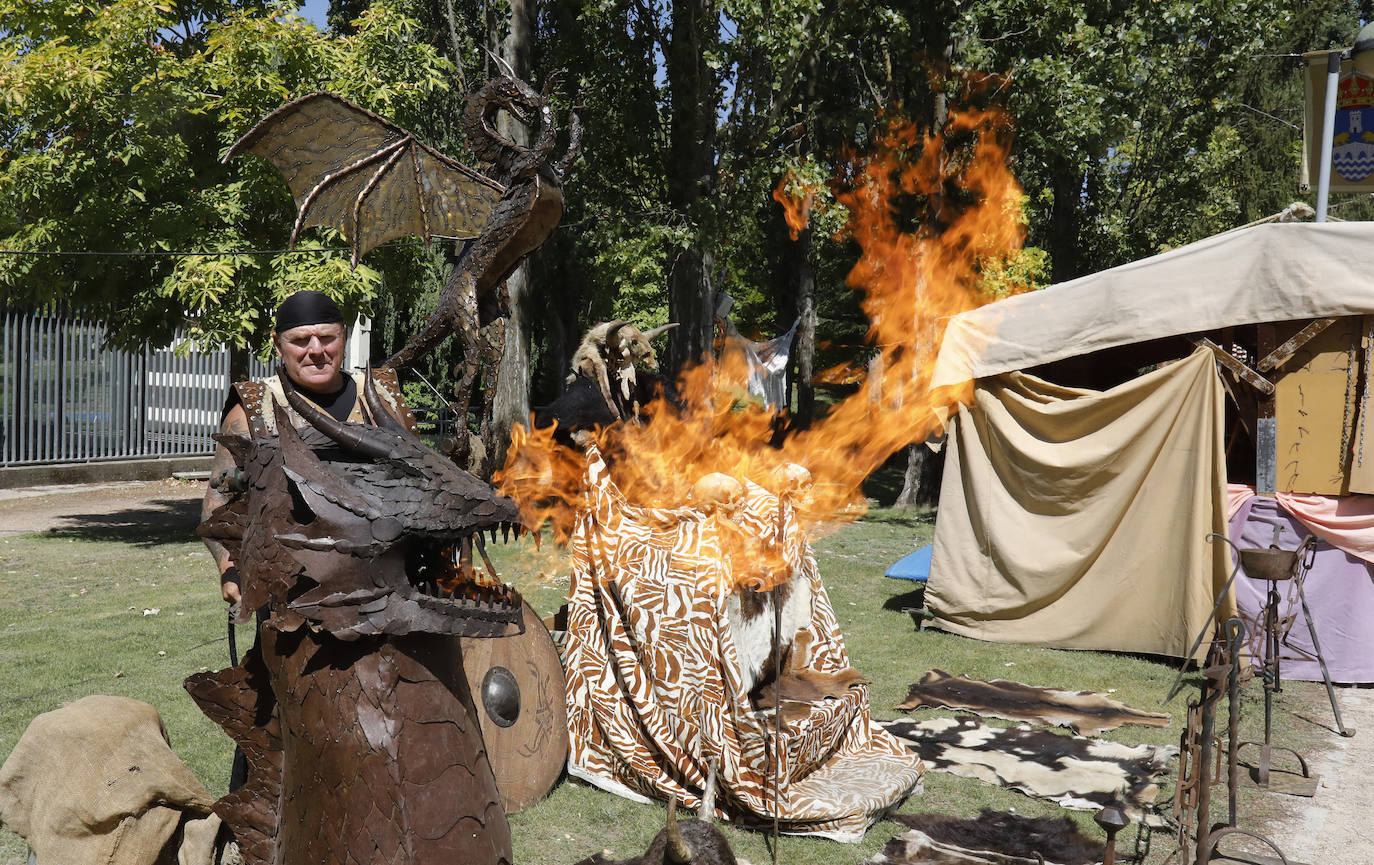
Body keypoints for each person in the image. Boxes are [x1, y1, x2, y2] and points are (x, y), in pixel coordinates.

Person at [201, 290, 416, 606]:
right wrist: (228, 566)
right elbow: (217, 500)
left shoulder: (381, 399)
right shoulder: (254, 411)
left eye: (327, 338)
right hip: (292, 592)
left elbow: (425, 484)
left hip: (385, 584)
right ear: (277, 343)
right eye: (301, 340)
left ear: (343, 337)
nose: (316, 350)